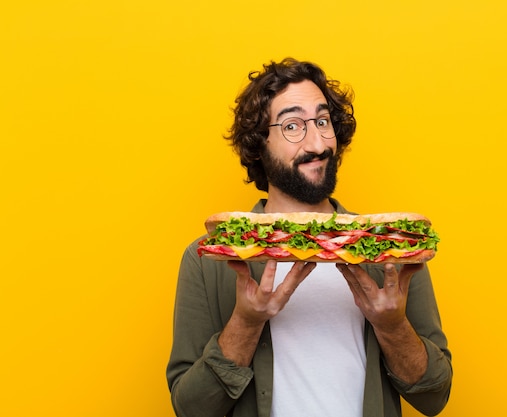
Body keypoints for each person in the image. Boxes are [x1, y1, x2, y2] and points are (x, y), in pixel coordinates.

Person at [166, 58, 452, 417]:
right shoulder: (208, 259)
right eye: (292, 126)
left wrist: (392, 327)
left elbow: (434, 397)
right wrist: (247, 322)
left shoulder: (392, 250)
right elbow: (191, 409)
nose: (317, 143)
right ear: (259, 143)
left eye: (322, 121)